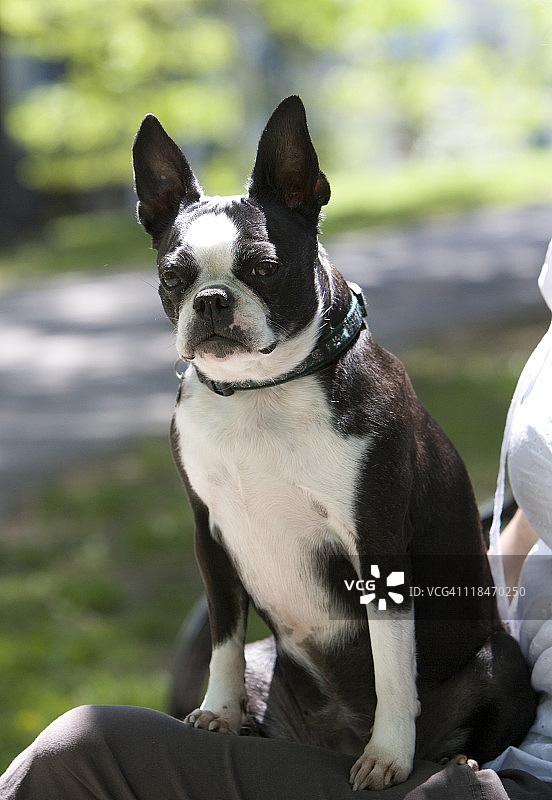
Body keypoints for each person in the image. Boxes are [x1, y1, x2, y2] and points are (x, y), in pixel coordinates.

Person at [3, 245, 552, 800]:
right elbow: (214, 536)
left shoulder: (362, 403)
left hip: (467, 734)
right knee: (77, 749)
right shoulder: (196, 410)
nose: (213, 304)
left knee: (76, 754)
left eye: (260, 270)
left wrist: (400, 721)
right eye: (180, 278)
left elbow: (385, 565)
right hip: (307, 690)